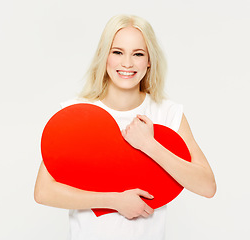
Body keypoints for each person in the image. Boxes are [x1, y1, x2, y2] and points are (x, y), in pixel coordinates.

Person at [34, 14, 216, 240]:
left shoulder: (167, 113)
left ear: (149, 60)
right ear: (105, 56)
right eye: (117, 52)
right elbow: (43, 192)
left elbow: (207, 186)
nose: (127, 63)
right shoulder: (77, 114)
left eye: (138, 54)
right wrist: (115, 201)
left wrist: (149, 145)